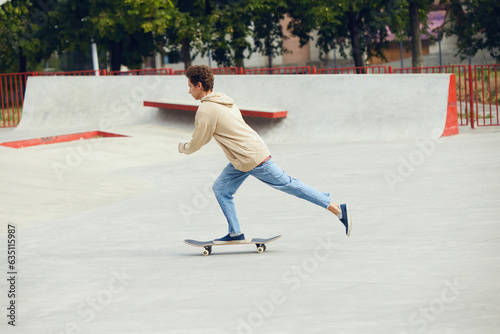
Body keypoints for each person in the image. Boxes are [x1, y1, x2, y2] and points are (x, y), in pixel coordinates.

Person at [178, 65, 351, 242]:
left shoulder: (206, 110)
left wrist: (183, 147)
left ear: (199, 85)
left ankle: (336, 208)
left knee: (288, 184)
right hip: (242, 159)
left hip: (251, 157)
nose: (189, 91)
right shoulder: (224, 100)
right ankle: (235, 233)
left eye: (190, 86)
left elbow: (198, 142)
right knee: (221, 189)